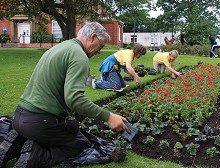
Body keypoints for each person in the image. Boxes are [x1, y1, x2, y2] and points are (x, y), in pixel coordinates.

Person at [0, 22, 130, 168]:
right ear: (92, 37)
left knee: (71, 126)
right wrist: (109, 116)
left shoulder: (61, 47)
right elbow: (74, 99)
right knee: (80, 144)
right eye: (100, 46)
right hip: (41, 123)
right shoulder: (79, 56)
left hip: (19, 118)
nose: (99, 51)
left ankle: (19, 143)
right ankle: (37, 154)